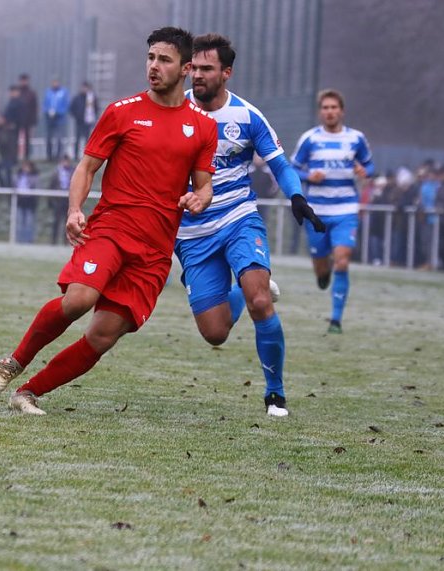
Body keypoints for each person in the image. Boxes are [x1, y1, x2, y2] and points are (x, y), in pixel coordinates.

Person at [0, 26, 217, 415]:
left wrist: (200, 197)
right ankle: (15, 361)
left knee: (104, 335)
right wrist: (75, 209)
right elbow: (87, 167)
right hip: (111, 228)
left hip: (155, 250)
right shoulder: (122, 112)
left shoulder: (203, 127)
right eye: (150, 57)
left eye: (164, 60)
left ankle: (27, 392)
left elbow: (204, 185)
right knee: (80, 299)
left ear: (186, 68)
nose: (154, 66)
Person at [175, 34, 326, 417]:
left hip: (238, 218)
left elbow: (279, 164)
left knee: (261, 302)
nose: (197, 75)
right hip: (192, 233)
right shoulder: (174, 110)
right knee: (215, 333)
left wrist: (297, 197)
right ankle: (243, 291)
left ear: (226, 73)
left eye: (207, 69)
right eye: (194, 68)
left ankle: (275, 394)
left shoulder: (247, 116)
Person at [292, 89, 374, 334]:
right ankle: (322, 271)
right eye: (325, 108)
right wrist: (309, 176)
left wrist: (365, 172)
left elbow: (369, 164)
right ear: (320, 112)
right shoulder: (310, 139)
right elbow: (292, 169)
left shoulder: (356, 138)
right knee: (322, 268)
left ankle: (336, 320)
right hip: (317, 211)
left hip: (346, 209)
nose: (329, 112)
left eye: (333, 107)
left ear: (342, 111)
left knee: (342, 260)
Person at [69, 81, 99, 161]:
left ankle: (85, 156)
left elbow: (96, 109)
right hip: (79, 122)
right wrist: (77, 116)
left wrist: (92, 118)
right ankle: (75, 156)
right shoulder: (77, 98)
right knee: (77, 139)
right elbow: (71, 108)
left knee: (87, 140)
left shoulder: (91, 98)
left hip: (88, 122)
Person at [48, 155, 73, 244]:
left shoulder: (72, 171)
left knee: (67, 222)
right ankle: (54, 241)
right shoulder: (56, 172)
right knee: (56, 221)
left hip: (68, 199)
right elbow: (51, 185)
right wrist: (51, 199)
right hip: (58, 199)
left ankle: (65, 241)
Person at [43, 77, 70, 161]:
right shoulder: (48, 92)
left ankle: (58, 156)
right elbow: (45, 104)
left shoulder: (63, 92)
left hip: (59, 118)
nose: (55, 84)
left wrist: (58, 112)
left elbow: (66, 105)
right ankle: (49, 156)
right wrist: (47, 111)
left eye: (56, 82)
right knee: (49, 137)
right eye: (53, 82)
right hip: (49, 118)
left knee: (59, 138)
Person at [14, 159, 39, 243]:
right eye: (24, 166)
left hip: (29, 202)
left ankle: (28, 240)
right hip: (20, 201)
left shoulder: (34, 177)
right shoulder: (18, 176)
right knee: (19, 222)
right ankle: (19, 240)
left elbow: (36, 186)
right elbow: (14, 185)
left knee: (29, 222)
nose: (25, 168)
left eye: (27, 166)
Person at [0, 114, 18, 188]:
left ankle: (7, 187)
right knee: (2, 170)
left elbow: (4, 141)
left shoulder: (6, 129)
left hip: (9, 155)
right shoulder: (1, 129)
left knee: (7, 171)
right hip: (5, 155)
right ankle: (4, 186)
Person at [17, 73, 38, 159]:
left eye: (25, 80)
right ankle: (15, 155)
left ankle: (27, 155)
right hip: (18, 119)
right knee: (15, 138)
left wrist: (34, 120)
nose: (24, 82)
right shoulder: (18, 93)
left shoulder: (31, 93)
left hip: (28, 119)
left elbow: (34, 107)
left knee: (27, 138)